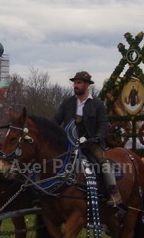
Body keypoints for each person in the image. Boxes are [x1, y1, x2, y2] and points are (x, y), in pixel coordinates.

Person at [53, 71, 123, 208]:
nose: (75, 85)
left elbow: (103, 124)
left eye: (78, 83)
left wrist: (97, 137)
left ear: (86, 85)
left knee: (103, 162)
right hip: (70, 143)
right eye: (74, 83)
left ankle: (114, 193)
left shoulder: (97, 104)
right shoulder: (68, 102)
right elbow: (56, 120)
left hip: (91, 143)